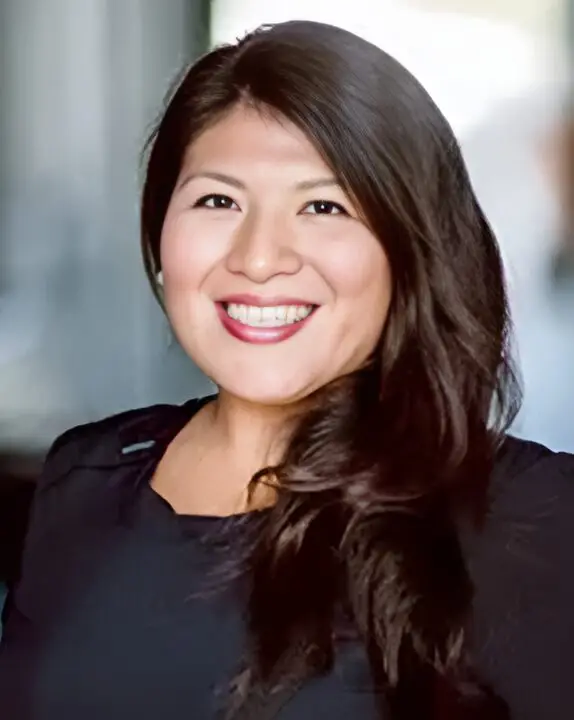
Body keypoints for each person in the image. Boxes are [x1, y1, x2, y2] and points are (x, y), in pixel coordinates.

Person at [0, 20, 572, 720]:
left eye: (322, 206)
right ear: (160, 237)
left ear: (409, 252)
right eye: (219, 201)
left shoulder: (532, 517)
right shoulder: (82, 479)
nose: (260, 257)